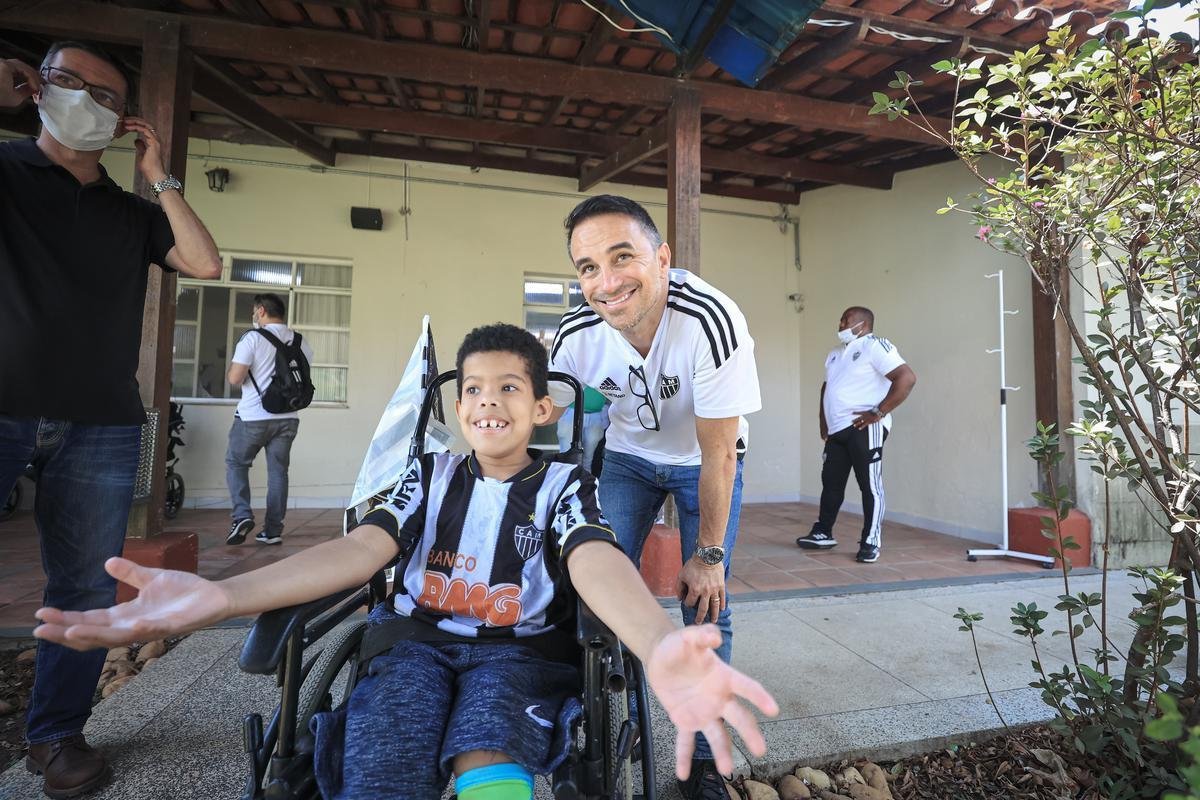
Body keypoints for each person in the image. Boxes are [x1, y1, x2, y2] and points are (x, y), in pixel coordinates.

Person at [32, 324, 779, 800]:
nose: (489, 402)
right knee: (386, 760)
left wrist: (653, 643)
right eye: (474, 390)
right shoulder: (428, 474)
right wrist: (226, 596)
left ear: (543, 407)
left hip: (518, 655)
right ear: (457, 407)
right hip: (413, 647)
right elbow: (362, 549)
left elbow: (593, 558)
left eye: (509, 388)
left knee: (489, 755)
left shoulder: (564, 482)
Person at [0, 43, 222, 798]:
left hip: (101, 419)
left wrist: (157, 171)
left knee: (86, 589)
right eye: (72, 83)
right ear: (38, 86)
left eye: (106, 93)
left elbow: (203, 262)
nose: (86, 100)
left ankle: (56, 735)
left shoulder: (131, 214)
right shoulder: (4, 169)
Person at [547, 195, 761, 798]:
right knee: (599, 589)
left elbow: (720, 453)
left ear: (662, 257)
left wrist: (710, 556)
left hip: (704, 463)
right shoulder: (576, 335)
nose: (607, 282)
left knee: (706, 604)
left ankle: (705, 762)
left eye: (623, 257)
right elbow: (548, 427)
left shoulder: (710, 320)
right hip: (627, 460)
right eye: (588, 267)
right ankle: (621, 717)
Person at [795, 306, 917, 563]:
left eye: (846, 320)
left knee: (869, 486)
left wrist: (879, 412)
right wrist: (823, 423)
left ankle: (871, 540)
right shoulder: (835, 354)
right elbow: (826, 389)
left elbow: (906, 377)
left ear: (862, 324)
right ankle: (823, 532)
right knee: (831, 483)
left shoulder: (876, 346)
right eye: (840, 319)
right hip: (837, 430)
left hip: (865, 428)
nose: (840, 324)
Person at [224, 292, 314, 547]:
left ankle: (241, 515)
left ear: (261, 311)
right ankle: (273, 530)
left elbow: (234, 379)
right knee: (278, 473)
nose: (254, 315)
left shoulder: (252, 339)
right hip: (288, 418)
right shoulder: (300, 341)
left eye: (255, 311)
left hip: (252, 417)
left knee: (236, 463)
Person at [555, 384, 609, 475]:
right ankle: (565, 486)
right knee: (566, 457)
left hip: (596, 413)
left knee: (588, 460)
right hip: (572, 411)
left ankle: (585, 487)